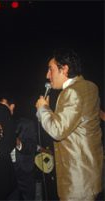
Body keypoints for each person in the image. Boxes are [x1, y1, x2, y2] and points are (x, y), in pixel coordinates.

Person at [36, 48, 103, 201]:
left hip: (77, 182)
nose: (47, 75)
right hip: (89, 177)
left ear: (64, 68)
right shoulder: (90, 87)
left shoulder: (72, 92)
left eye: (50, 69)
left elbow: (58, 131)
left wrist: (43, 108)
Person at [0, 98, 37, 201]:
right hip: (7, 173)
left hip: (24, 172)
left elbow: (32, 147)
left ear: (11, 107)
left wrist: (18, 143)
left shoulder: (27, 124)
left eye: (3, 106)